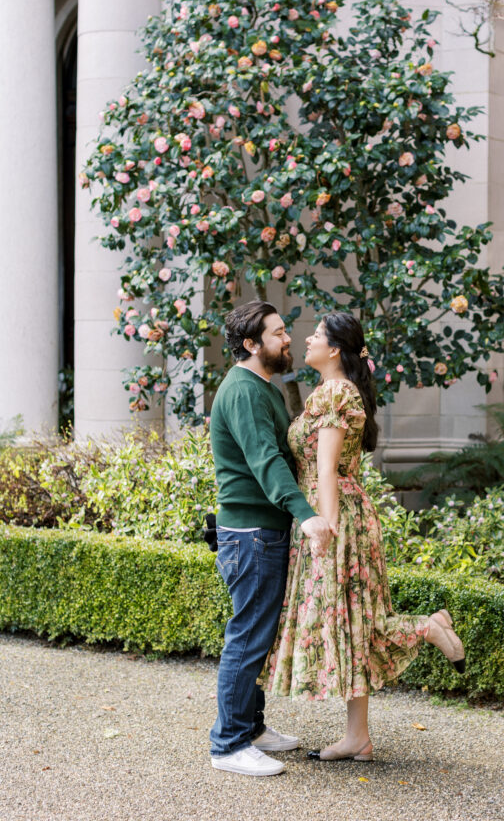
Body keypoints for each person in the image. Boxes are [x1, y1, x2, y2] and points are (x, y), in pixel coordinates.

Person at [262, 312, 466, 762]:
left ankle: (427, 628)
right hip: (335, 513)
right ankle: (358, 736)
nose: (307, 339)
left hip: (334, 517)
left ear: (335, 349)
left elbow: (327, 469)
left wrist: (324, 530)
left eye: (316, 335)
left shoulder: (335, 391)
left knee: (349, 619)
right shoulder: (331, 390)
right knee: (351, 622)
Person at [209, 300, 335, 777]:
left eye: (285, 330)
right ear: (251, 344)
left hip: (261, 530)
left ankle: (251, 726)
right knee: (247, 637)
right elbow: (266, 460)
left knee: (259, 636)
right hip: (250, 534)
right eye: (278, 332)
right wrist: (304, 514)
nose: (288, 338)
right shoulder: (243, 391)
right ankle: (228, 744)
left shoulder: (264, 388)